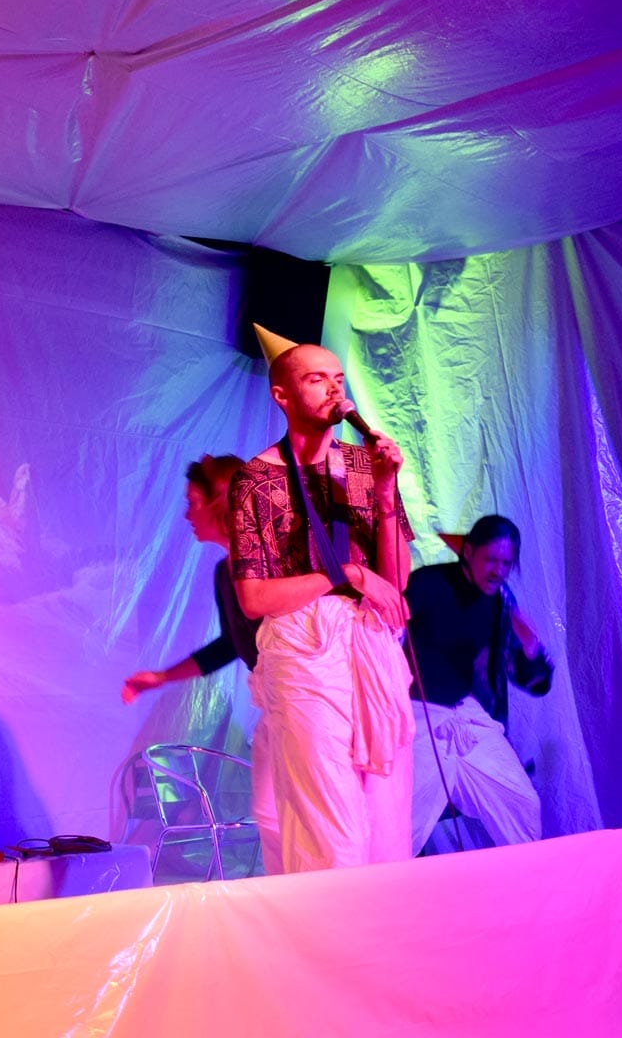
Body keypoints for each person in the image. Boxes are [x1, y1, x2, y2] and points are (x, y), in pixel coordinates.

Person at [228, 324, 416, 873]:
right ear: (283, 395)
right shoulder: (255, 479)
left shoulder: (363, 467)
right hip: (303, 649)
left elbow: (396, 582)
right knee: (330, 826)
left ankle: (380, 945)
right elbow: (255, 597)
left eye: (338, 379)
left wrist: (385, 494)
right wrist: (350, 576)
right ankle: (327, 943)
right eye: (316, 379)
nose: (334, 390)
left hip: (370, 647)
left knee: (384, 822)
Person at [406, 515, 552, 855]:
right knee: (404, 821)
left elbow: (531, 681)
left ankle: (533, 888)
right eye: (491, 560)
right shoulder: (426, 584)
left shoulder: (500, 603)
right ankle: (381, 896)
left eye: (506, 563)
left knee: (520, 800)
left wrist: (530, 649)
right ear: (468, 552)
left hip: (464, 716)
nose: (498, 571)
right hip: (415, 717)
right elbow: (385, 639)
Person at [121, 454, 260, 704]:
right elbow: (230, 645)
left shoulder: (273, 565)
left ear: (222, 501)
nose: (187, 516)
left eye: (193, 502)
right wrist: (162, 677)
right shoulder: (224, 574)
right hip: (273, 697)